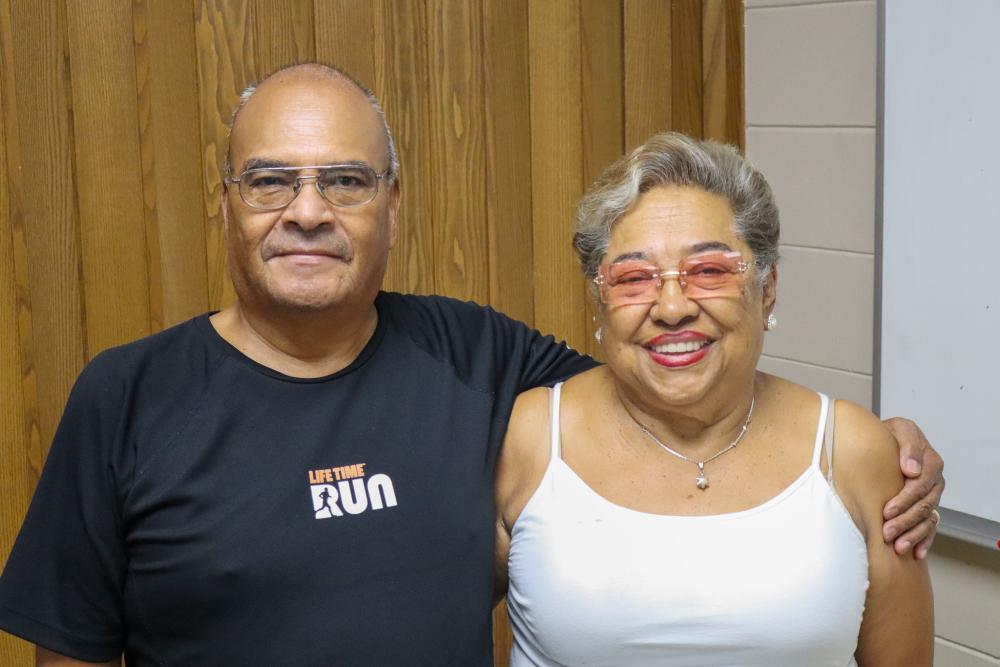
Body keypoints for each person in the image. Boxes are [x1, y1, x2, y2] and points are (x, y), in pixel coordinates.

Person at [0, 64, 940, 666]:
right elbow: (72, 649)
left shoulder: (477, 359)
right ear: (229, 204)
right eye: (271, 180)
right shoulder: (126, 396)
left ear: (392, 209)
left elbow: (672, 375)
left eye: (347, 180)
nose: (310, 210)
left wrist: (882, 451)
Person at [495, 132, 934, 666]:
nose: (673, 306)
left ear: (767, 287)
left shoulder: (853, 452)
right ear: (600, 301)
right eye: (634, 277)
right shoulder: (529, 437)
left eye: (709, 271)